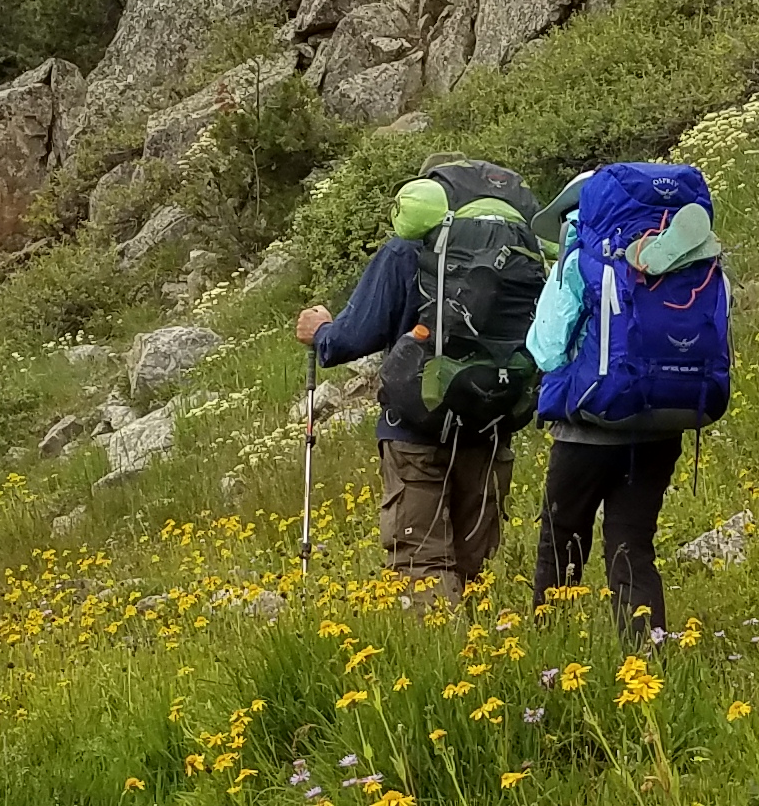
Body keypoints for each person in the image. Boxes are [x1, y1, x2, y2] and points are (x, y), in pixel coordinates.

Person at [525, 162, 730, 634]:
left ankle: (549, 654)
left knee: (560, 544)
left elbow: (547, 347)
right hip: (663, 421)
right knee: (633, 543)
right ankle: (645, 653)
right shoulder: (698, 257)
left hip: (589, 429)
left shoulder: (582, 256)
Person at [295, 174, 524, 595]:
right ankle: (485, 650)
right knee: (477, 561)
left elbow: (352, 337)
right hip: (491, 422)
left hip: (416, 426)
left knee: (421, 559)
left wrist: (321, 331)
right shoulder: (515, 249)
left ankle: (442, 655)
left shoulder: (406, 250)